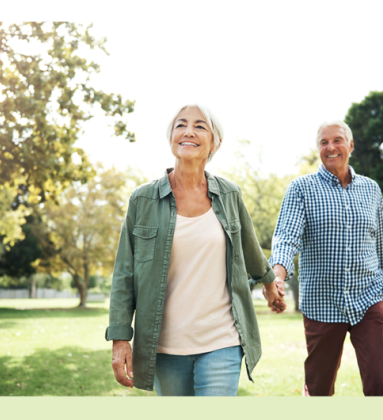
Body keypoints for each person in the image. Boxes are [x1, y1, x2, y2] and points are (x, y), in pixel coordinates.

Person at [106, 103, 286, 396]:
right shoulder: (143, 199)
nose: (188, 131)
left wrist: (268, 283)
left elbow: (249, 249)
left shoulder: (230, 194)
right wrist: (120, 338)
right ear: (171, 137)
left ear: (215, 142)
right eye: (181, 125)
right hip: (164, 346)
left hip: (222, 339)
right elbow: (124, 274)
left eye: (200, 126)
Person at [269, 120, 383, 396]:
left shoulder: (371, 190)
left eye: (337, 140)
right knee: (320, 388)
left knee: (382, 386)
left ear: (351, 145)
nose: (330, 147)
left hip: (370, 298)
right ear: (318, 148)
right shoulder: (301, 189)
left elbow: (381, 245)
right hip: (322, 302)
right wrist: (277, 277)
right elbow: (286, 237)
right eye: (323, 142)